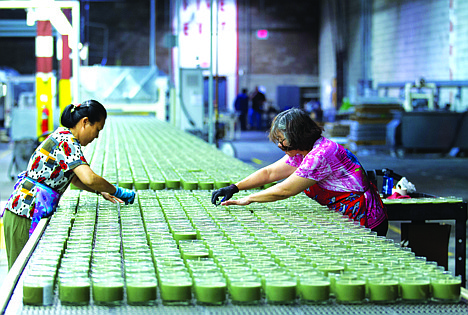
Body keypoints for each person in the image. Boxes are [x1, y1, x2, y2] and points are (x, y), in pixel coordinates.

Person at [1, 100, 136, 270]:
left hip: (28, 209)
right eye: (97, 130)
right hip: (24, 213)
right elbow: (89, 178)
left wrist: (100, 192)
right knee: (22, 275)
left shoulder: (64, 136)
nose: (96, 137)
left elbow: (75, 179)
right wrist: (117, 191)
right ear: (85, 122)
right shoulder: (67, 141)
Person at [212, 108, 388, 236]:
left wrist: (248, 199)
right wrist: (235, 188)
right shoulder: (302, 152)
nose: (280, 145)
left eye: (282, 140)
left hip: (364, 222)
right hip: (345, 217)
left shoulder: (320, 155)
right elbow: (270, 173)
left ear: (297, 135)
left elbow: (284, 191)